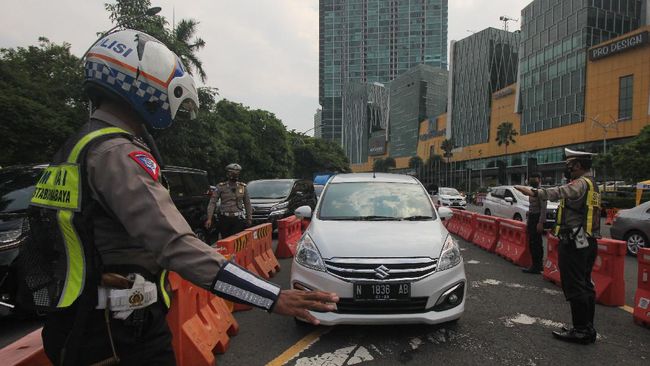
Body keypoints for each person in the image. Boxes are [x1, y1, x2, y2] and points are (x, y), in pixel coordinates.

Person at [20, 29, 337, 365]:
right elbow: (176, 244)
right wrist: (271, 296)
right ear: (144, 86)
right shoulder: (117, 153)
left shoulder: (77, 146)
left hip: (77, 321)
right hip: (117, 334)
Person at [515, 148, 600, 345]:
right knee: (585, 285)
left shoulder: (580, 183)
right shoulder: (593, 183)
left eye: (569, 164)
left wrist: (536, 192)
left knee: (576, 286)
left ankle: (581, 330)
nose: (567, 168)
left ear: (577, 165)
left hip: (575, 242)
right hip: (587, 241)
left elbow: (562, 191)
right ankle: (586, 327)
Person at [205, 163, 252, 238]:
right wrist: (209, 218)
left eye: (237, 173)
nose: (235, 175)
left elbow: (247, 203)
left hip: (238, 218)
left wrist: (249, 218)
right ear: (228, 174)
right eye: (232, 173)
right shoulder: (221, 187)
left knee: (237, 240)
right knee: (225, 240)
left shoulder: (242, 187)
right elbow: (212, 202)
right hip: (224, 218)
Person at [522, 172, 547, 274]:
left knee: (536, 243)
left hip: (537, 218)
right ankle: (535, 264)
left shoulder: (541, 192)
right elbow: (532, 205)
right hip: (532, 217)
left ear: (540, 180)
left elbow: (543, 209)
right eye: (531, 178)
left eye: (535, 178)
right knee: (532, 242)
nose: (532, 180)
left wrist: (541, 222)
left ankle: (537, 266)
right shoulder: (531, 191)